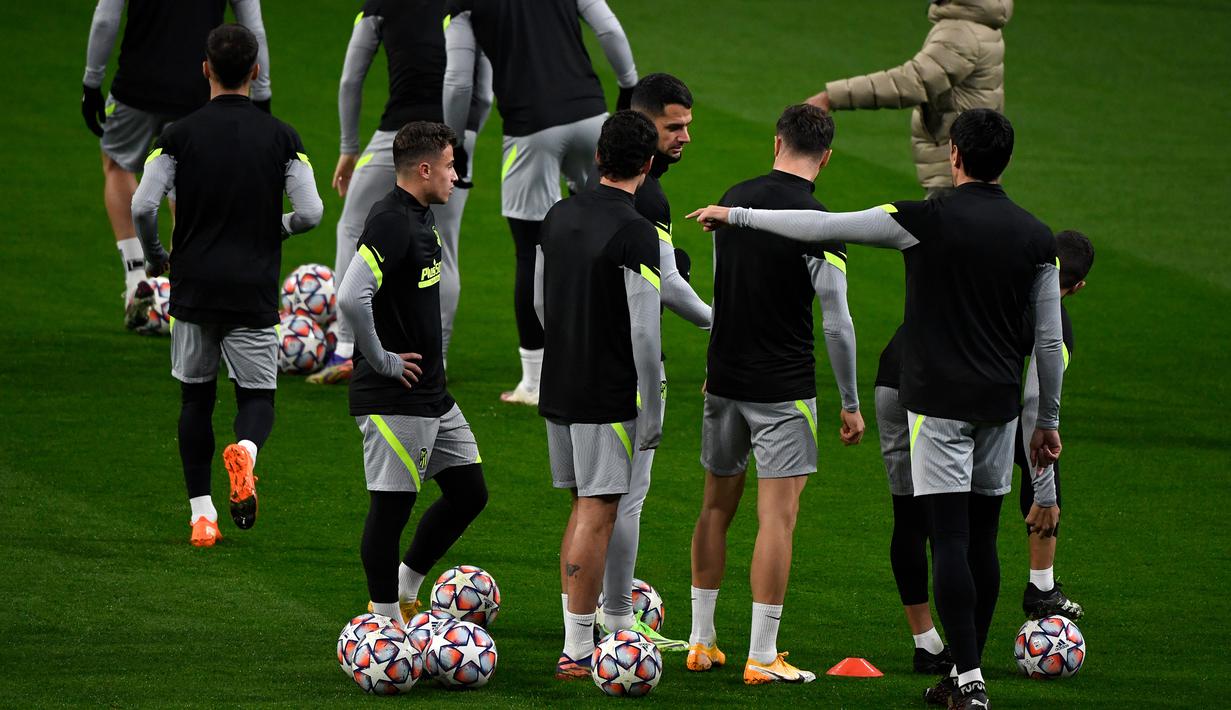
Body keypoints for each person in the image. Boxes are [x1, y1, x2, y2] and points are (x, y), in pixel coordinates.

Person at [687, 109, 1065, 710]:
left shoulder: (920, 220)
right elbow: (1049, 343)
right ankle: (969, 668)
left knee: (946, 538)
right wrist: (1047, 422)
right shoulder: (1038, 237)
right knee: (984, 540)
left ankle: (965, 680)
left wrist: (735, 214)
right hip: (1000, 408)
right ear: (1004, 162)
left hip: (938, 406)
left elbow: (822, 224)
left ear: (955, 157)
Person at [685, 104, 864, 685]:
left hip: (726, 379)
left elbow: (722, 292)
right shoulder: (822, 222)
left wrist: (717, 364)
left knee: (715, 507)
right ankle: (762, 656)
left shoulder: (732, 199)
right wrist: (851, 402)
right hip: (783, 389)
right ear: (827, 156)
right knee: (776, 520)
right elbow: (836, 322)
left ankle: (701, 642)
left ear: (777, 141)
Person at [130, 24, 322, 547]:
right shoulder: (282, 137)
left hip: (194, 287)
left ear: (205, 70)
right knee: (257, 398)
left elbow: (143, 205)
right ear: (255, 73)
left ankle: (202, 516)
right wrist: (272, 229)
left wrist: (157, 259)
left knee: (195, 401)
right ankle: (247, 454)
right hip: (252, 288)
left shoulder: (177, 135)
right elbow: (310, 212)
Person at [442, 0, 638, 405]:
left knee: (531, 253)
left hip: (530, 132)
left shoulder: (464, 5)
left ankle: (534, 381)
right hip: (591, 120)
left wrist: (454, 141)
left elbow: (459, 83)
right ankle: (612, 355)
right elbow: (610, 30)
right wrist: (628, 85)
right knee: (606, 238)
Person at [336, 122, 488, 625]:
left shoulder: (419, 216)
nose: (455, 175)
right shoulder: (392, 222)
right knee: (390, 513)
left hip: (431, 396)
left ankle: (405, 586)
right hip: (393, 396)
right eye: (449, 165)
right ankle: (383, 624)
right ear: (424, 170)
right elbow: (349, 293)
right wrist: (381, 359)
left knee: (470, 492)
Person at [537, 111, 662, 679]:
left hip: (558, 383)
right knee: (599, 509)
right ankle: (578, 649)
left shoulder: (558, 214)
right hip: (607, 391)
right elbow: (643, 330)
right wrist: (651, 407)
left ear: (597, 157)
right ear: (649, 164)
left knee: (581, 505)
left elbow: (540, 305)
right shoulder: (637, 230)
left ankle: (576, 634)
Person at [312, 0, 494, 384]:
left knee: (351, 226)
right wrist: (464, 136)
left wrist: (348, 147)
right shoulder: (469, 3)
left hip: (399, 131)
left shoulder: (381, 3)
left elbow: (350, 80)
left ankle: (346, 348)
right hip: (457, 135)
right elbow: (485, 89)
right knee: (444, 247)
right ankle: (436, 359)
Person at [595, 72, 710, 652]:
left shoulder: (598, 184)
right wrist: (726, 323)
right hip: (626, 371)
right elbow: (665, 287)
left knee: (591, 501)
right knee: (624, 499)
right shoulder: (649, 196)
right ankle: (616, 620)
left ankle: (584, 620)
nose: (685, 135)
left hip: (581, 363)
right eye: (674, 126)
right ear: (645, 124)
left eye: (688, 124)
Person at [83, 0, 272, 330]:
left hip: (136, 86)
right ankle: (181, 294)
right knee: (187, 188)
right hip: (197, 91)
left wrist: (91, 82)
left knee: (116, 164)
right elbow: (253, 26)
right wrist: (262, 93)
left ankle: (136, 276)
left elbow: (105, 18)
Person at [806, 0, 1011, 196]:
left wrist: (831, 97)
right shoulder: (980, 24)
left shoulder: (960, 33)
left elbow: (911, 82)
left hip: (957, 167)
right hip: (970, 162)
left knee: (943, 230)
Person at [1017, 230, 1094, 621]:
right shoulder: (1058, 325)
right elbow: (1036, 398)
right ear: (1078, 286)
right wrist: (1046, 493)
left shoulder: (1006, 284)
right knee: (1044, 460)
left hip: (956, 401)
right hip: (1010, 413)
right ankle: (1042, 587)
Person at [873, 325, 954, 674]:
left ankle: (926, 643)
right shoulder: (1006, 284)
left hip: (892, 371)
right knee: (952, 523)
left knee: (908, 514)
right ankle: (965, 651)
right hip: (938, 380)